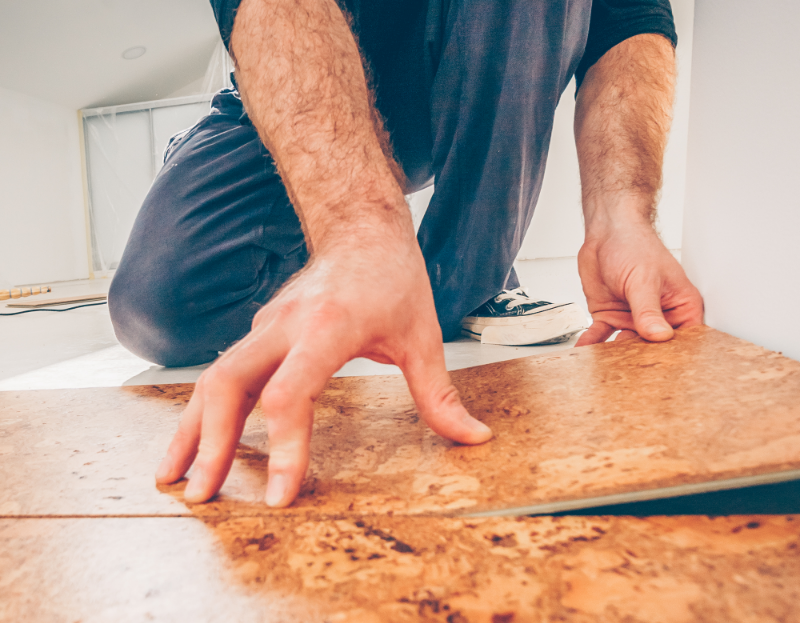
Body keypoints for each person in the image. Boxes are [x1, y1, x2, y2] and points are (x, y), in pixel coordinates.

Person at [108, 0, 704, 508]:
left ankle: (467, 280)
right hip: (300, 72)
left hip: (454, 72)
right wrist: (356, 229)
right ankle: (346, 261)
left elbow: (628, 16)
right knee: (159, 306)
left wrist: (623, 215)